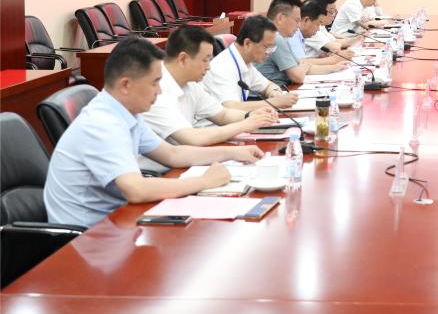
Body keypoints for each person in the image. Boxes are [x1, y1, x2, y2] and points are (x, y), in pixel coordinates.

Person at [44, 38, 264, 228]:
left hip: (118, 219)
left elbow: (172, 154)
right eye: (155, 82)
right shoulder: (102, 123)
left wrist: (234, 153)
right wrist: (204, 181)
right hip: (88, 237)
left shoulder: (126, 113)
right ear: (126, 85)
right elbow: (136, 189)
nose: (159, 91)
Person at [143, 26, 277, 145]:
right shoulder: (156, 90)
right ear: (183, 59)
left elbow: (222, 115)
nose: (209, 67)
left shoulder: (191, 82)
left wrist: (251, 115)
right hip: (164, 164)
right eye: (205, 60)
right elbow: (193, 138)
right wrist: (245, 125)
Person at [202, 15, 298, 111]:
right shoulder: (223, 67)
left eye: (272, 48)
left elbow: (268, 86)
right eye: (267, 47)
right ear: (247, 43)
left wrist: (275, 93)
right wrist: (275, 102)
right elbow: (231, 108)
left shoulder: (246, 63)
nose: (269, 52)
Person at [258, 0, 344, 86]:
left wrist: (335, 67)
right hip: (275, 91)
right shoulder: (276, 38)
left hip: (280, 88)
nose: (298, 25)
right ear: (280, 18)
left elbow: (302, 65)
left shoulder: (280, 36)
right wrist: (304, 65)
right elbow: (298, 76)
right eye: (296, 20)